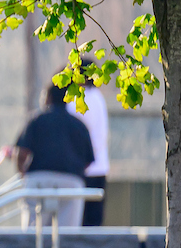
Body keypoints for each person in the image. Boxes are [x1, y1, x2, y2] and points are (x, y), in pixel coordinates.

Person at [7, 83, 94, 230]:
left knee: (33, 234)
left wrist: (22, 174)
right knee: (67, 236)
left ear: (48, 97)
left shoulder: (36, 120)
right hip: (71, 182)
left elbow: (21, 153)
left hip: (39, 180)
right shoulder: (79, 125)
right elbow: (88, 161)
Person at [75, 71, 112, 226]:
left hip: (83, 168)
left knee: (79, 220)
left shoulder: (80, 98)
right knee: (94, 221)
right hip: (100, 167)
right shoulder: (98, 98)